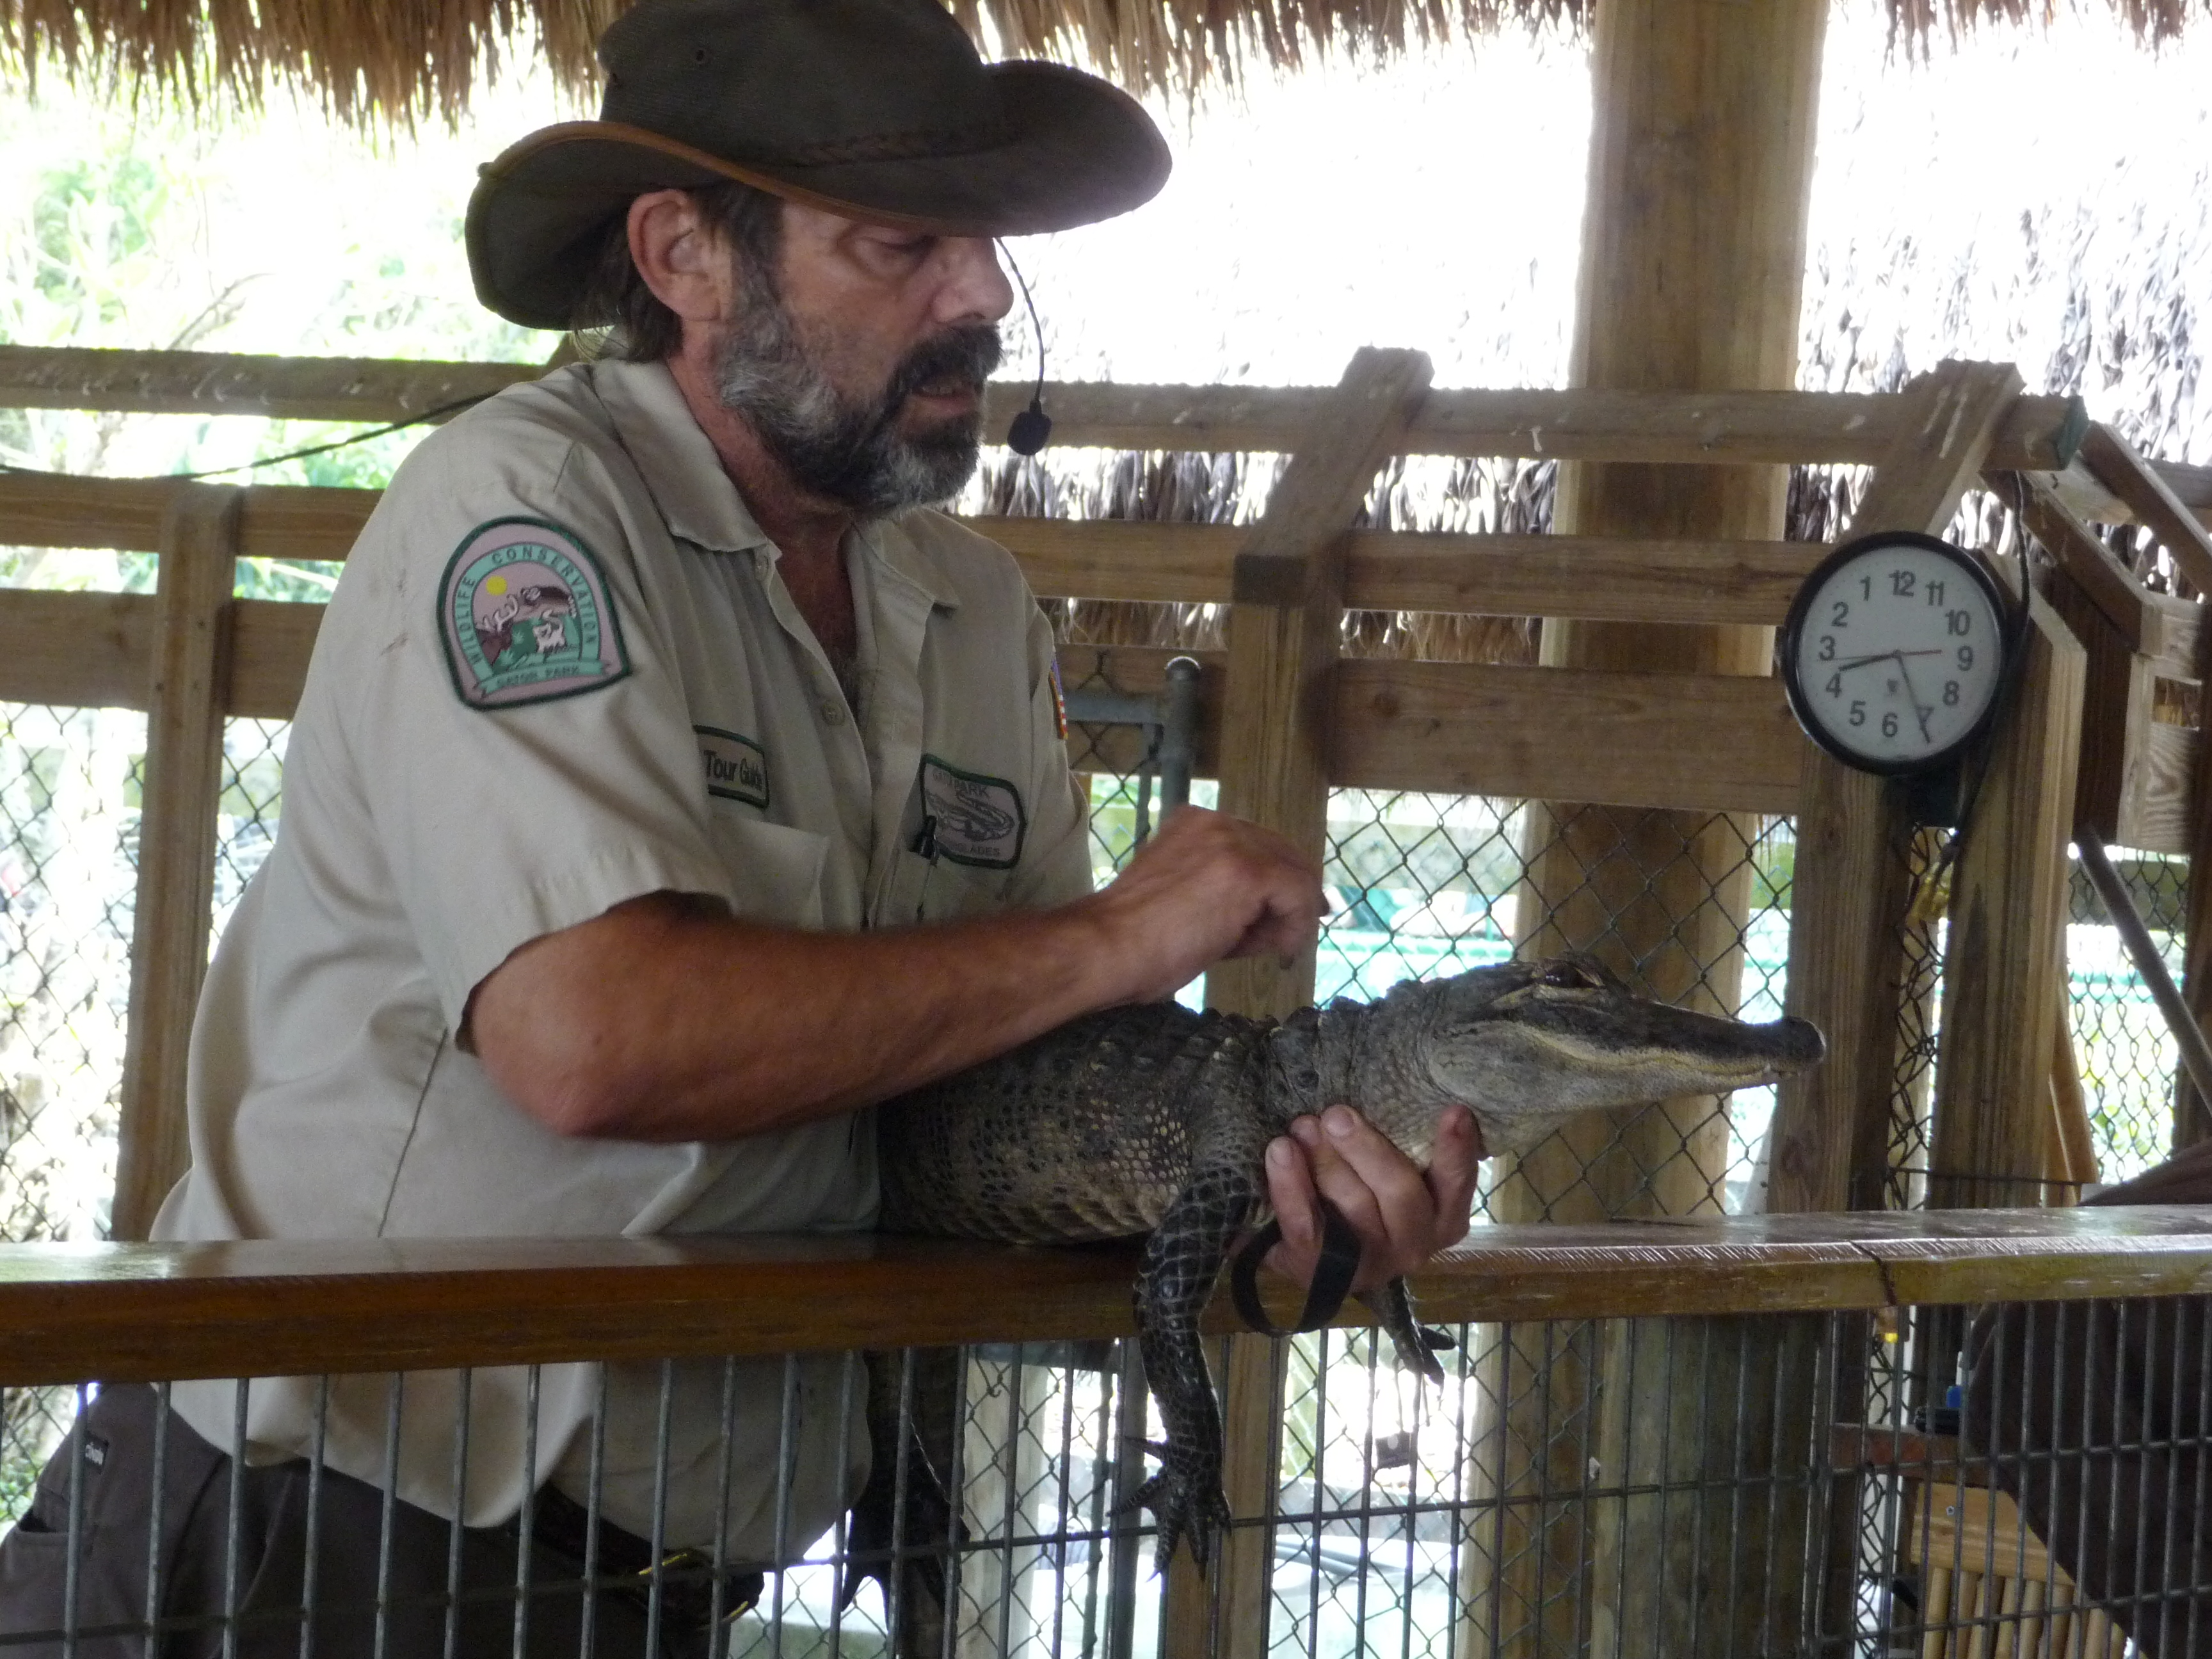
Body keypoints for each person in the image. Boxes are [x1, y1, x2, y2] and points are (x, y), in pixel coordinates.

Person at [0, 0, 1482, 1651]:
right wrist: (1123, 933)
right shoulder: (524, 515)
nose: (982, 292)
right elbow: (594, 1044)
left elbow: (1003, 1089)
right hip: (328, 1521)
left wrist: (1275, 1219)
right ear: (684, 253)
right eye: (901, 241)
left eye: (984, 245)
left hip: (673, 1562)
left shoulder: (974, 607)